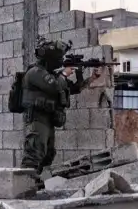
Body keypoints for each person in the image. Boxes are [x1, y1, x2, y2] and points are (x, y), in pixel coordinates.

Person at [20, 39, 101, 175]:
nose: (60, 61)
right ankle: (22, 186)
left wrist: (91, 78)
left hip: (48, 119)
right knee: (34, 155)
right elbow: (54, 87)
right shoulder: (35, 72)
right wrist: (64, 74)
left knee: (48, 155)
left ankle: (36, 185)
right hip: (37, 118)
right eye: (58, 58)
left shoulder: (51, 74)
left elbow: (72, 88)